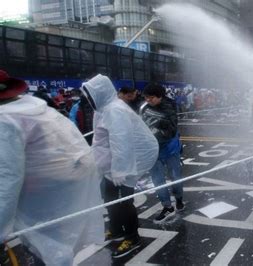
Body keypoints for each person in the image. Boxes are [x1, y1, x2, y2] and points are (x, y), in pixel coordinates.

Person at [0, 70, 104, 265]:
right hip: (59, 188)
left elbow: (6, 179)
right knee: (55, 245)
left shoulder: (5, 120)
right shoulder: (36, 108)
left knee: (45, 249)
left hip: (37, 195)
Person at [81, 74, 159, 259]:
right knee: (109, 197)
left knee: (125, 201)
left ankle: (132, 237)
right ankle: (116, 229)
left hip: (131, 160)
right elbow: (100, 140)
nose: (88, 99)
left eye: (90, 94)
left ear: (99, 93)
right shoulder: (102, 109)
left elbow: (121, 142)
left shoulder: (115, 110)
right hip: (113, 163)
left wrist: (120, 170)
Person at [140, 83, 184, 224]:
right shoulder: (145, 108)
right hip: (153, 151)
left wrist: (154, 132)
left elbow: (171, 131)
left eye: (151, 98)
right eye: (146, 98)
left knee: (175, 176)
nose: (148, 100)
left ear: (160, 96)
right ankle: (167, 206)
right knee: (158, 180)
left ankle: (179, 199)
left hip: (170, 149)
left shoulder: (169, 107)